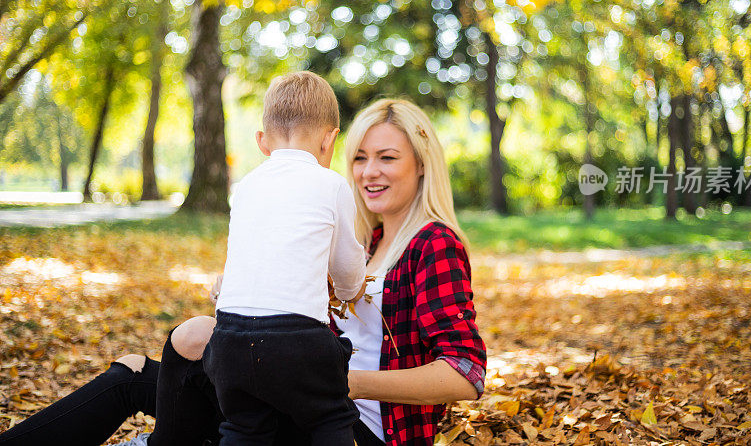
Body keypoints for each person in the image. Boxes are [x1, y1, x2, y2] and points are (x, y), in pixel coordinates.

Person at [0, 98, 486, 446]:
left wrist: (345, 382)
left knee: (203, 358)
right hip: (298, 391)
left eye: (387, 158)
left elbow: (463, 374)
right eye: (359, 157)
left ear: (421, 166)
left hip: (353, 424)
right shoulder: (366, 242)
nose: (367, 172)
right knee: (143, 367)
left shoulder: (432, 245)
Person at [206, 71, 366, 445]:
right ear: (330, 140)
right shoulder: (332, 185)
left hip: (228, 338)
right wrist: (350, 290)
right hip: (296, 341)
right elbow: (346, 272)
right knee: (331, 416)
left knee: (244, 427)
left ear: (262, 142)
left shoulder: (244, 188)